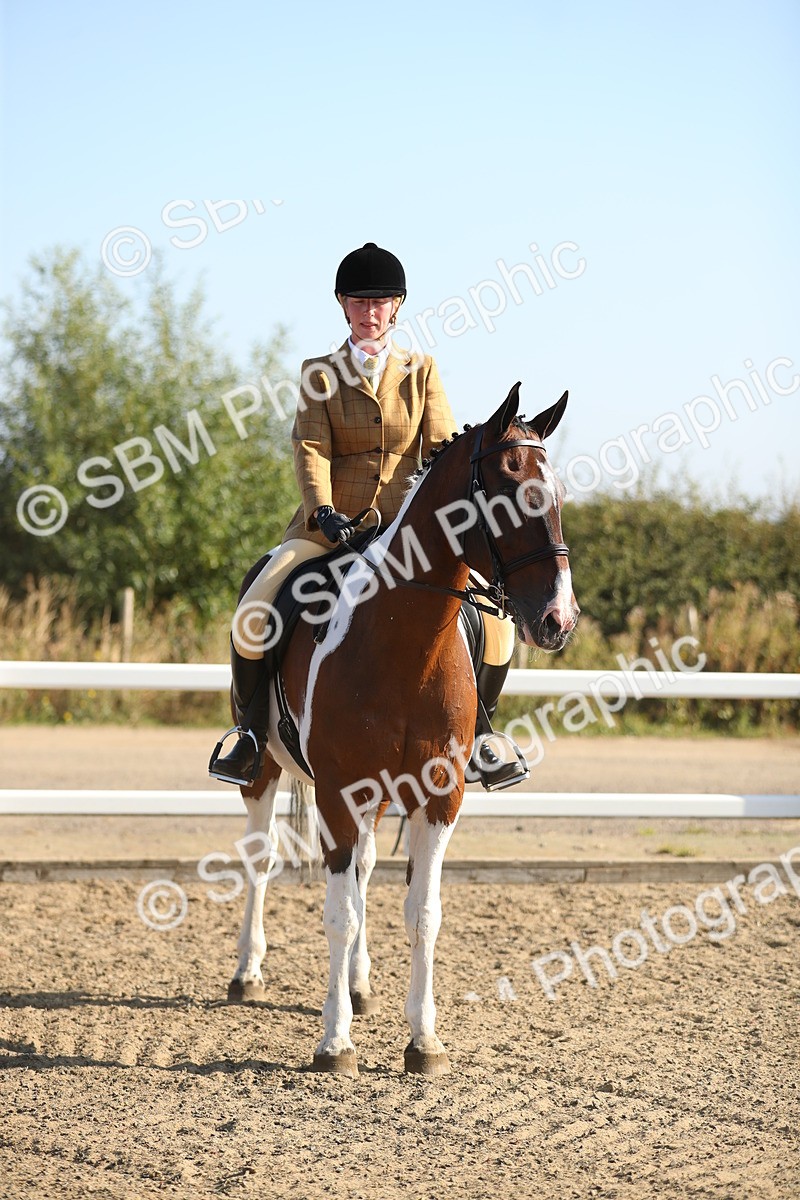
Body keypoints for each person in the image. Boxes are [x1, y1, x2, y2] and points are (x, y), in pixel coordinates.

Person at [209, 242, 528, 790]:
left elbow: (443, 448)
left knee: (496, 622)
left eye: (380, 302)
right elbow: (309, 445)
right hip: (331, 527)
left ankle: (482, 736)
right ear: (342, 304)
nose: (370, 311)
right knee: (257, 606)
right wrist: (323, 509)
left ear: (397, 307)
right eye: (359, 301)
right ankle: (251, 737)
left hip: (410, 532)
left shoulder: (422, 370)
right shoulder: (319, 373)